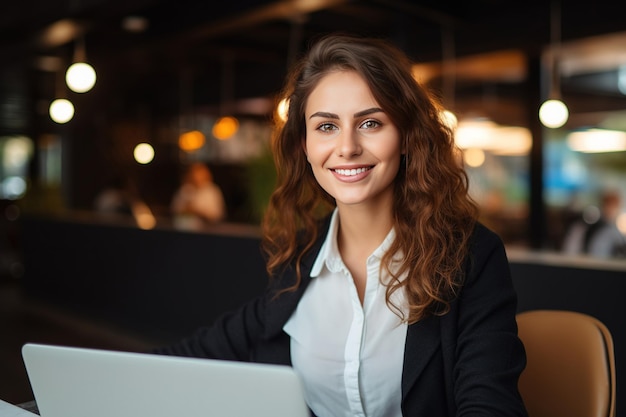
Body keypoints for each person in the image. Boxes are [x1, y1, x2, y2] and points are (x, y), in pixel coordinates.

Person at [153, 33, 528, 417]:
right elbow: (186, 360)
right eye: (326, 127)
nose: (346, 147)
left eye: (370, 123)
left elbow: (490, 407)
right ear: (304, 144)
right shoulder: (298, 258)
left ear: (405, 137)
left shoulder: (470, 256)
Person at [562, 189, 626, 258]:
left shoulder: (617, 231)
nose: (610, 210)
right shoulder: (586, 226)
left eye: (613, 207)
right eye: (608, 205)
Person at [170, 162, 226, 229]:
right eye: (194, 174)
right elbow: (174, 210)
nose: (197, 177)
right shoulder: (184, 189)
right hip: (183, 229)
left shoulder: (212, 191)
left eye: (200, 174)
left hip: (208, 231)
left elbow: (217, 215)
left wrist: (198, 211)